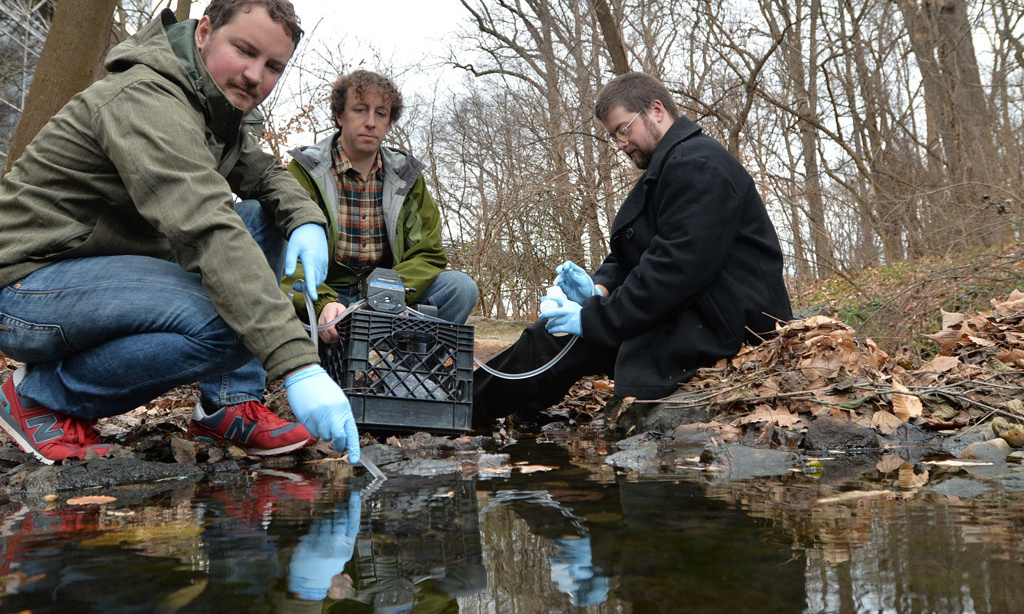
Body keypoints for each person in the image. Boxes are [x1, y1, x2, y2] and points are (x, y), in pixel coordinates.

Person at [0, 0, 360, 464]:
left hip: (106, 274)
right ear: (204, 31)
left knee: (266, 218)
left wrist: (308, 221)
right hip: (29, 287)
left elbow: (264, 172)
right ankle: (40, 398)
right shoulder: (147, 98)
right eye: (244, 51)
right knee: (228, 321)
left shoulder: (216, 108)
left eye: (273, 67)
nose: (254, 76)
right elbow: (207, 226)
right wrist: (298, 365)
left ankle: (227, 404)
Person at [473, 71, 792, 424]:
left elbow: (673, 270)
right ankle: (501, 410)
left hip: (726, 325)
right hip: (696, 312)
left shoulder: (699, 165)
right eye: (615, 137)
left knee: (563, 338)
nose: (621, 144)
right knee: (551, 335)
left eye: (624, 130)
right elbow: (638, 250)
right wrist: (597, 287)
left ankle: (463, 410)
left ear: (656, 110)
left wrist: (592, 318)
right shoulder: (674, 164)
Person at [283, 70, 477, 344]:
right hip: (324, 294)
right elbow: (284, 257)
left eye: (381, 113)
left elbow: (428, 254)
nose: (371, 122)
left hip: (388, 294)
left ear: (390, 122)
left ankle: (409, 378)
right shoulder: (305, 169)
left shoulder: (407, 176)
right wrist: (322, 302)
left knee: (460, 287)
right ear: (340, 116)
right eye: (360, 110)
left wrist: (386, 292)